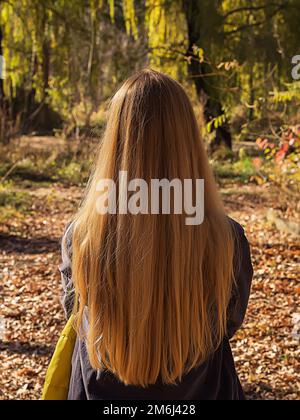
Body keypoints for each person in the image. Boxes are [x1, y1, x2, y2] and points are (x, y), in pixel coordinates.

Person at [59, 69, 253, 400]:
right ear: (188, 141)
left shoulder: (82, 238)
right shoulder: (227, 240)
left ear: (116, 142)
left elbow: (77, 317)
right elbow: (227, 324)